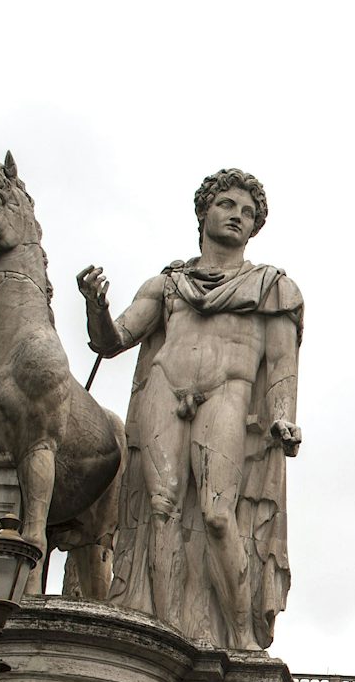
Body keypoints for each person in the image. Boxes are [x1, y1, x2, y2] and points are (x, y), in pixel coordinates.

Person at [78, 168, 303, 651]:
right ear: (205, 211)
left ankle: (241, 634)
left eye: (248, 213)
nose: (238, 217)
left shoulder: (272, 288)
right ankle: (162, 636)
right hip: (165, 383)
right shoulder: (168, 284)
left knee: (219, 514)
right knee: (160, 507)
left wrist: (283, 416)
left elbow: (282, 363)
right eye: (228, 205)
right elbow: (112, 340)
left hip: (229, 392)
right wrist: (96, 306)